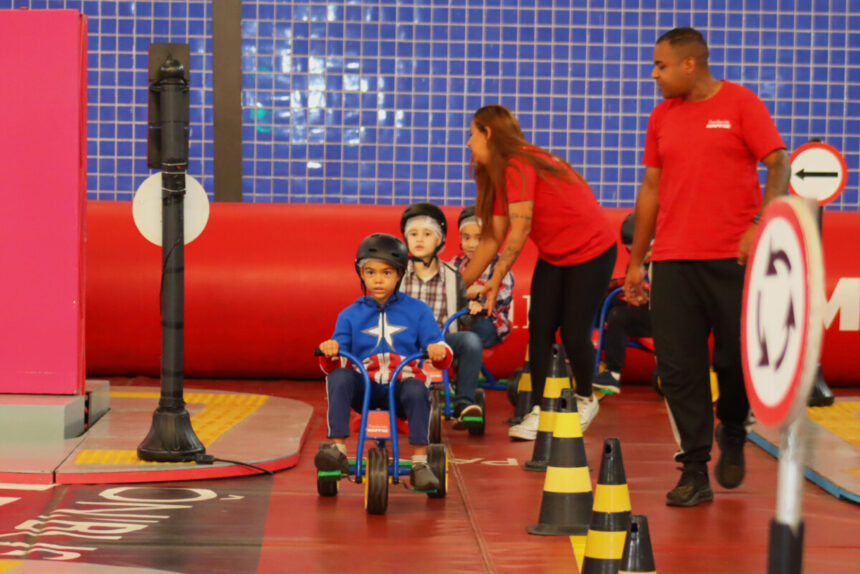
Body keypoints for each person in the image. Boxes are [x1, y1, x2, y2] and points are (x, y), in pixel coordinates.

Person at [623, 27, 790, 507]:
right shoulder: (662, 116)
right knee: (678, 367)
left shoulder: (741, 103)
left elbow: (778, 162)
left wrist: (763, 221)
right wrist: (637, 261)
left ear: (689, 64)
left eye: (661, 65)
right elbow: (651, 188)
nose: (654, 74)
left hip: (732, 257)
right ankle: (694, 468)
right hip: (673, 259)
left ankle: (733, 426)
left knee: (735, 360)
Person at [461, 104, 618, 440]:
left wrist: (497, 277)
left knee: (574, 333)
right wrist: (456, 285)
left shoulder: (520, 162)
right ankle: (543, 409)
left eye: (472, 134)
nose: (468, 143)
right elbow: (493, 237)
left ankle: (585, 398)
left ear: (488, 132)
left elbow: (520, 229)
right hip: (556, 255)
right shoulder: (501, 172)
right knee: (541, 331)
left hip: (593, 252)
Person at [315, 233, 453, 492]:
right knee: (339, 377)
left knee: (416, 387)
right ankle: (338, 449)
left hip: (400, 387)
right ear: (361, 274)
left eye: (386, 273)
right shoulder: (350, 314)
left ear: (400, 274)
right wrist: (331, 352)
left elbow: (439, 346)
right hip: (364, 388)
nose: (378, 279)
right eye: (370, 272)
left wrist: (438, 350)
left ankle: (421, 461)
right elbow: (334, 360)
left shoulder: (418, 310)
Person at [399, 202, 485, 428]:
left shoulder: (452, 275)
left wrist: (472, 310)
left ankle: (463, 402)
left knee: (471, 341)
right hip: (405, 341)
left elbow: (461, 316)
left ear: (439, 240)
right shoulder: (397, 274)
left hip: (441, 339)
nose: (419, 239)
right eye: (414, 234)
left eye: (427, 234)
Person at [592, 212, 652, 396]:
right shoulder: (637, 263)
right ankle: (585, 353)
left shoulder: (664, 261)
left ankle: (613, 373)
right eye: (629, 250)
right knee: (603, 300)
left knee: (618, 316)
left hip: (663, 317)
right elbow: (631, 284)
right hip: (644, 308)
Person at [448, 205, 515, 349]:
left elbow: (500, 298)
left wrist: (479, 295)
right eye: (466, 238)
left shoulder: (499, 267)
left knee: (472, 339)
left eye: (479, 238)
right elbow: (444, 289)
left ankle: (467, 365)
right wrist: (467, 294)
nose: (472, 244)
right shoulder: (455, 264)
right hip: (460, 319)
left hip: (490, 321)